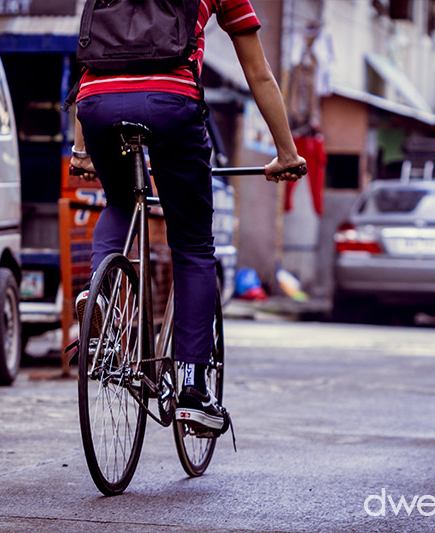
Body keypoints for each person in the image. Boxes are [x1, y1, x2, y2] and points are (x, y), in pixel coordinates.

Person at [69, 0, 306, 431]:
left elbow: (91, 59)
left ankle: (98, 296)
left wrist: (81, 149)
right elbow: (257, 72)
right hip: (170, 101)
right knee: (193, 244)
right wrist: (286, 152)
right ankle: (193, 388)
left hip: (97, 103)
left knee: (119, 202)